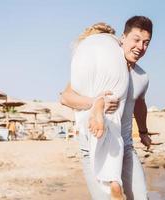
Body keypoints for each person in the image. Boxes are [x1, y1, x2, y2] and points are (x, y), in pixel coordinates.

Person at [61, 16, 153, 200]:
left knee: (142, 197)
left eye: (146, 43)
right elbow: (65, 97)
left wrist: (143, 132)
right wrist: (95, 102)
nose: (140, 47)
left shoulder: (142, 77)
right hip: (91, 146)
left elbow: (140, 105)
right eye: (136, 40)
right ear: (122, 38)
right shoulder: (100, 70)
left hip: (125, 147)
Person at [68, 22, 129, 200]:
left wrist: (93, 102)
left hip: (87, 124)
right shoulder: (113, 53)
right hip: (106, 113)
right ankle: (114, 181)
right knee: (113, 126)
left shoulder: (84, 52)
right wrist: (98, 102)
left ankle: (98, 104)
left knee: (93, 140)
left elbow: (65, 97)